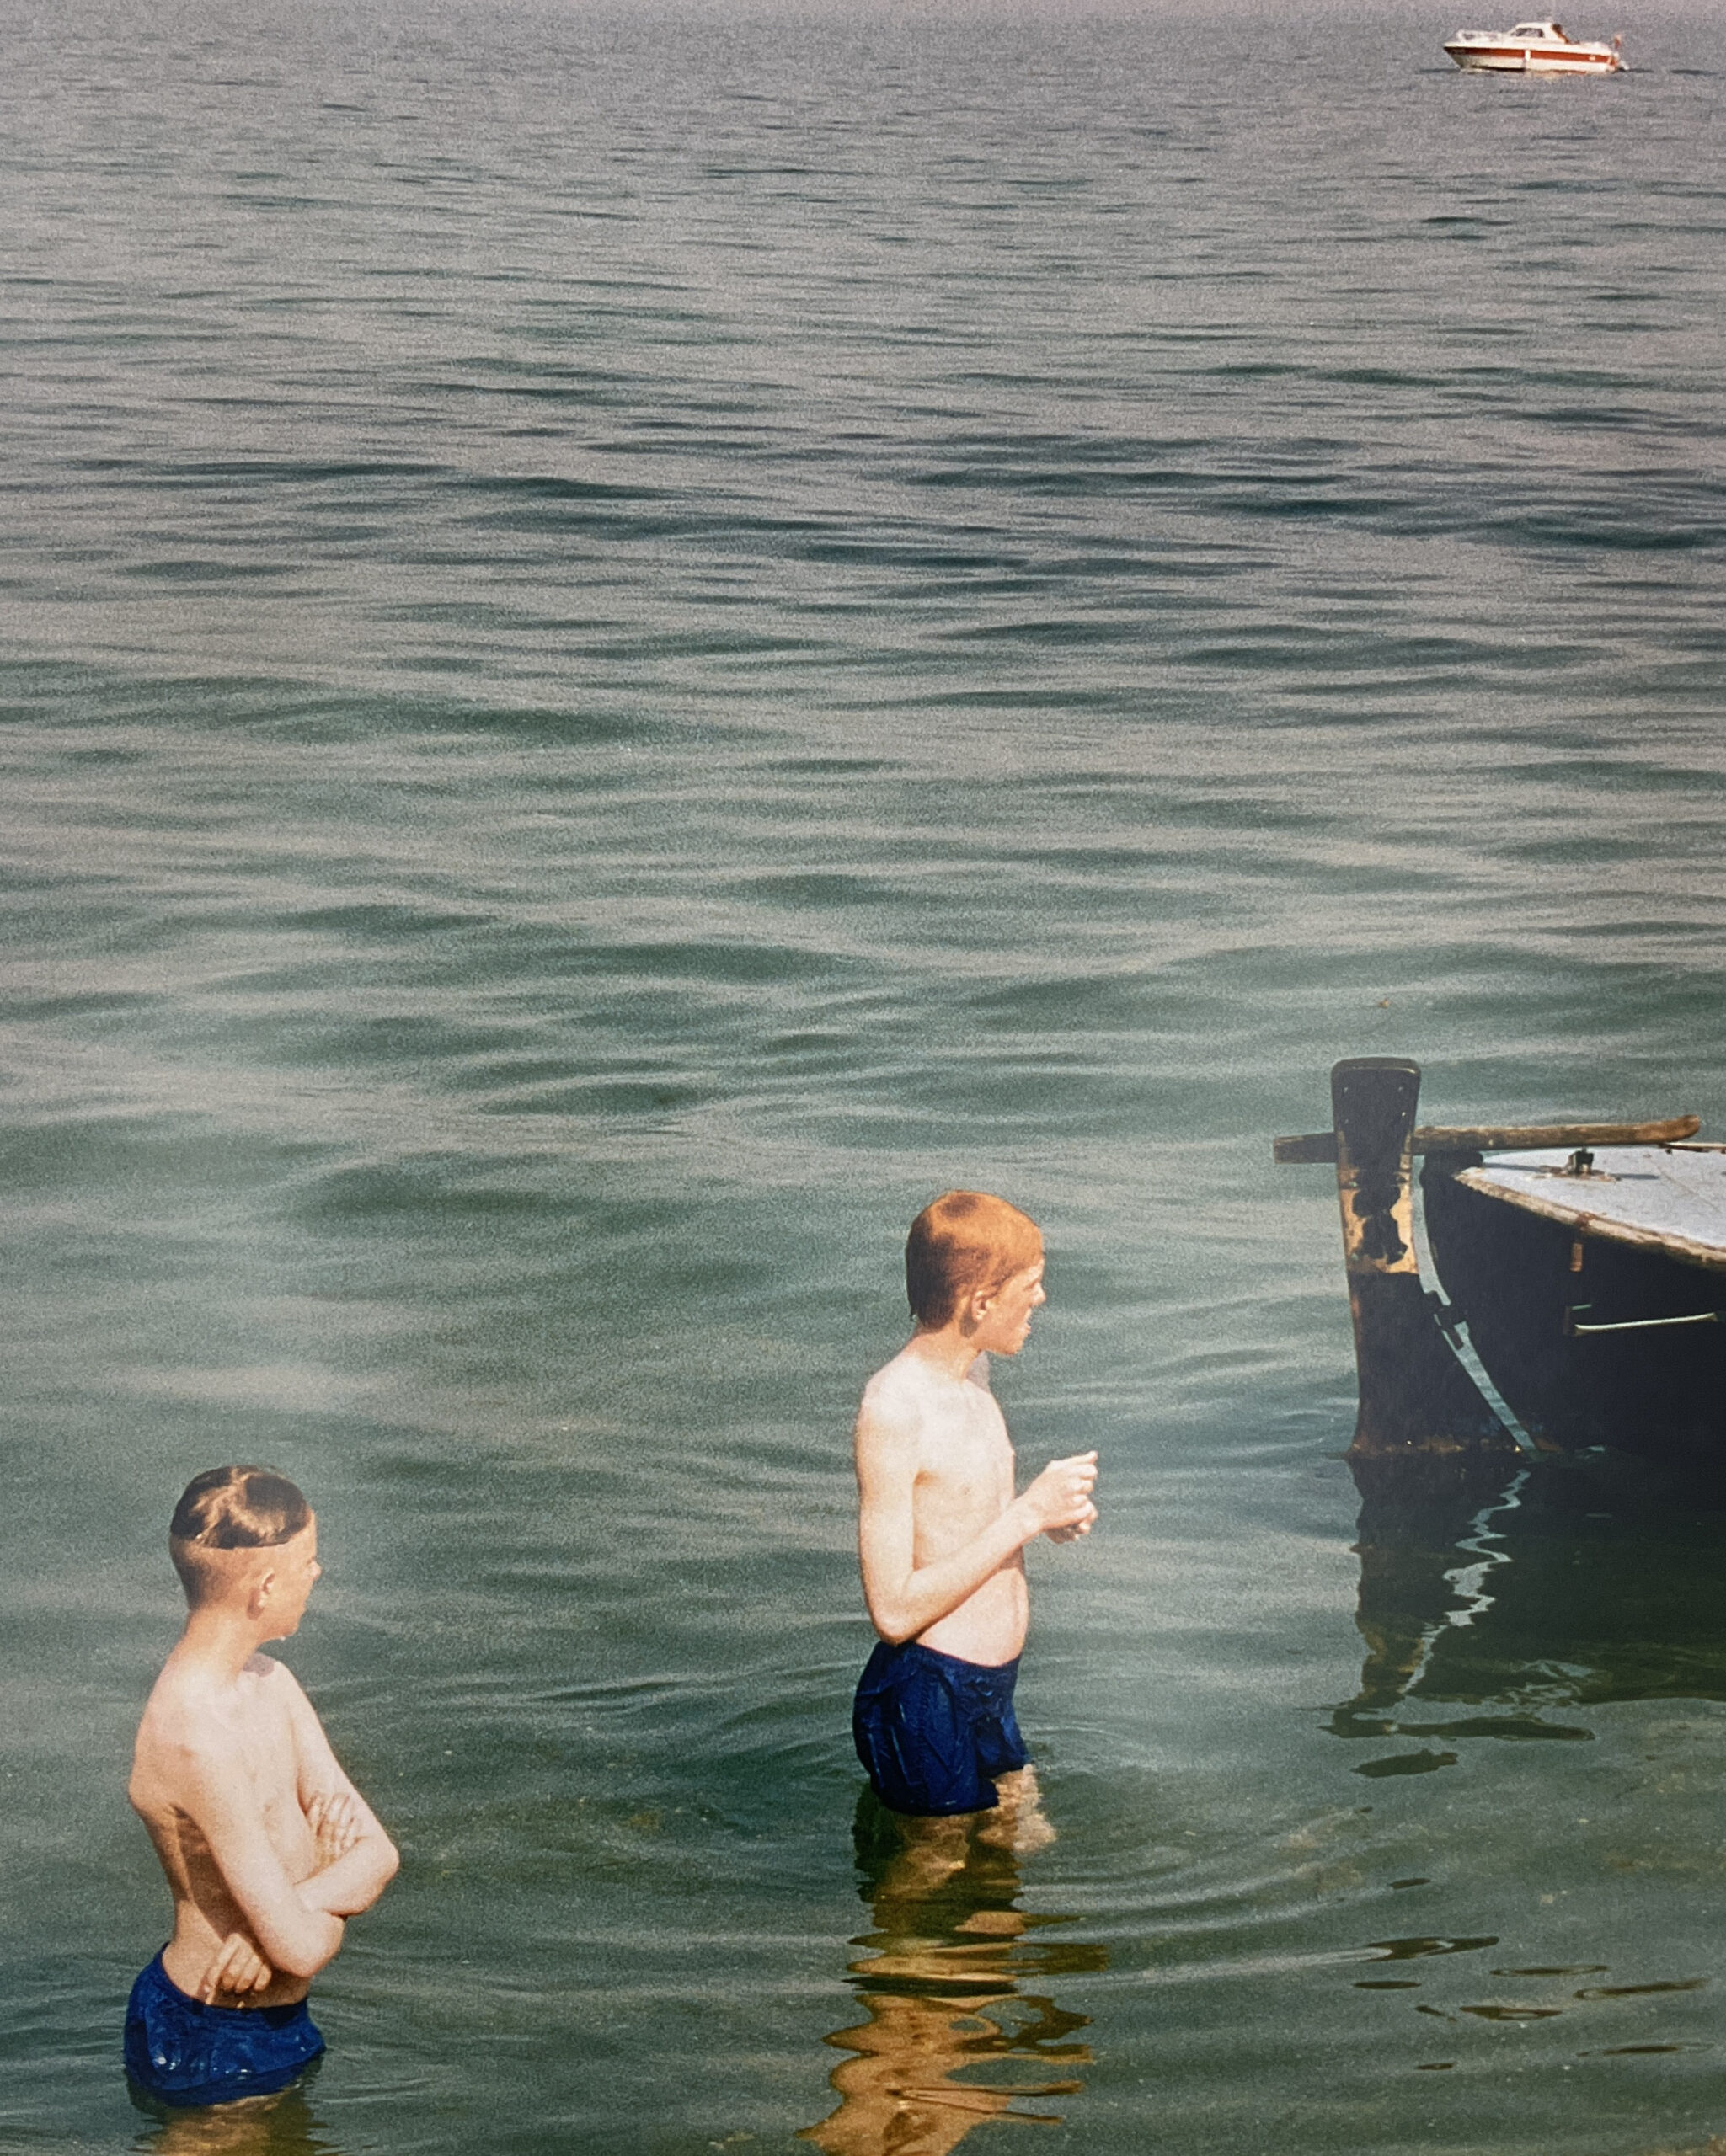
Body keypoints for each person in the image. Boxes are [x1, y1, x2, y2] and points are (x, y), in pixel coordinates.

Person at [125, 1466, 398, 2108]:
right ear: (266, 1585)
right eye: (308, 1561)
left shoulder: (271, 1682)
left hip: (274, 2021)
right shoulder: (194, 1739)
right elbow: (300, 1950)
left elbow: (380, 1855)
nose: (317, 1573)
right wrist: (325, 1884)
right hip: (209, 2033)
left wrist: (288, 1911)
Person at [851, 1193, 1098, 1826]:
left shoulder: (973, 1375)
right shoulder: (893, 1409)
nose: (1040, 1299)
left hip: (992, 1686)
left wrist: (1049, 1518)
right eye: (1030, 1286)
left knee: (1010, 1857)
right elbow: (892, 1612)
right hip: (927, 1691)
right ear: (980, 1302)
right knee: (929, 1873)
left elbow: (963, 1516)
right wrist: (1027, 1514)